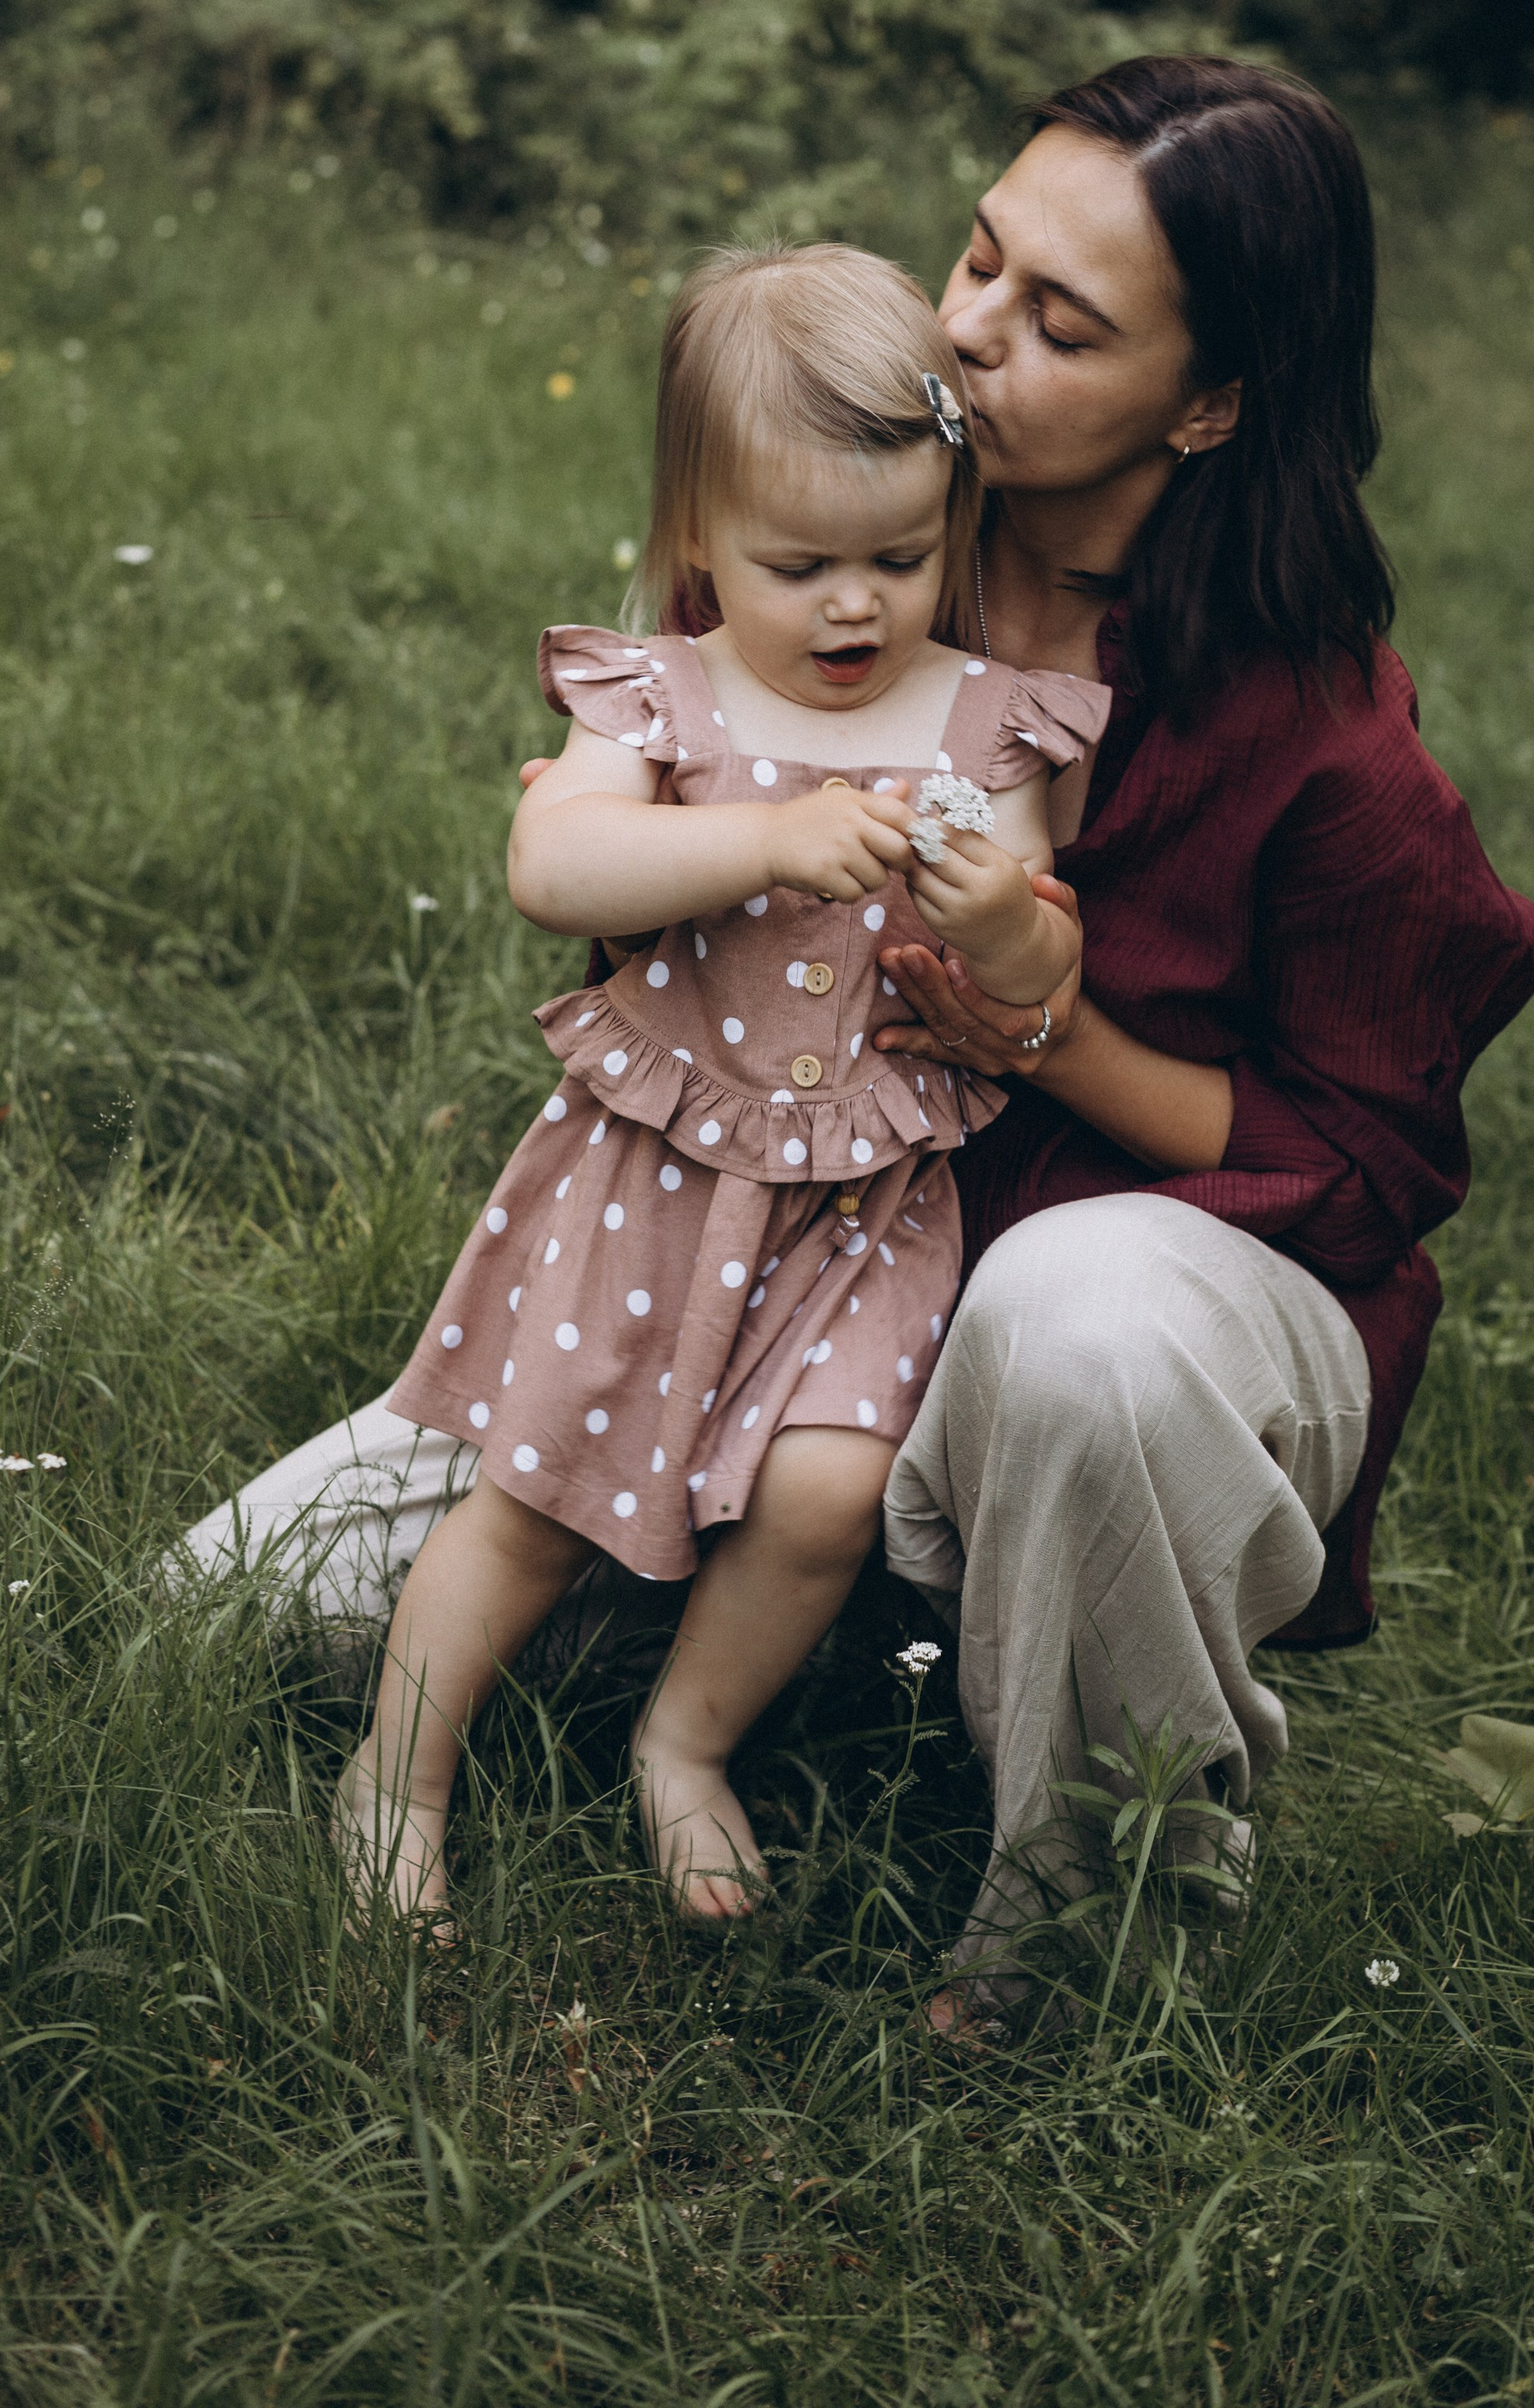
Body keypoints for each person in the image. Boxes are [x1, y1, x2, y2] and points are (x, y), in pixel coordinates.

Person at [176, 57, 1534, 1991]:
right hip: (718, 1266)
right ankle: (827, 1653)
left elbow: (1361, 1170)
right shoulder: (836, 523)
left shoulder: (1309, 730)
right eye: (977, 256)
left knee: (1076, 1330)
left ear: (1211, 401)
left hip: (1083, 1309)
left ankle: (1083, 1942)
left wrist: (1030, 1032)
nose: (965, 332)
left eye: (1057, 322)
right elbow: (615, 841)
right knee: (229, 1618)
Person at [331, 243, 1107, 1920]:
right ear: (696, 542)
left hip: (861, 1203)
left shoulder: (986, 724)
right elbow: (555, 865)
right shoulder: (662, 692)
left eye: (901, 556)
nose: (853, 605)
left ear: (952, 526)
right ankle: (395, 1774)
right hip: (651, 1179)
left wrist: (1008, 934)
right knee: (532, 1497)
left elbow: (1043, 967)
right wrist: (756, 836)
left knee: (827, 1496)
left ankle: (682, 1745)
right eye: (798, 561)